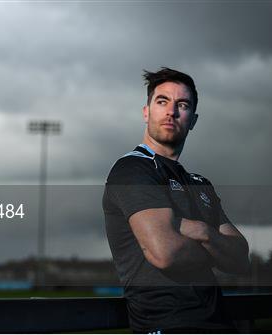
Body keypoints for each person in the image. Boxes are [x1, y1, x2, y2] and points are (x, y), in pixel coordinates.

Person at [102, 67, 250, 333]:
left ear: (193, 119)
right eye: (162, 102)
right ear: (146, 112)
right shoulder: (133, 170)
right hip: (167, 325)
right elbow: (165, 253)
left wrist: (201, 230)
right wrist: (216, 250)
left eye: (182, 104)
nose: (171, 111)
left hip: (219, 325)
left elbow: (240, 259)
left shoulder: (199, 184)